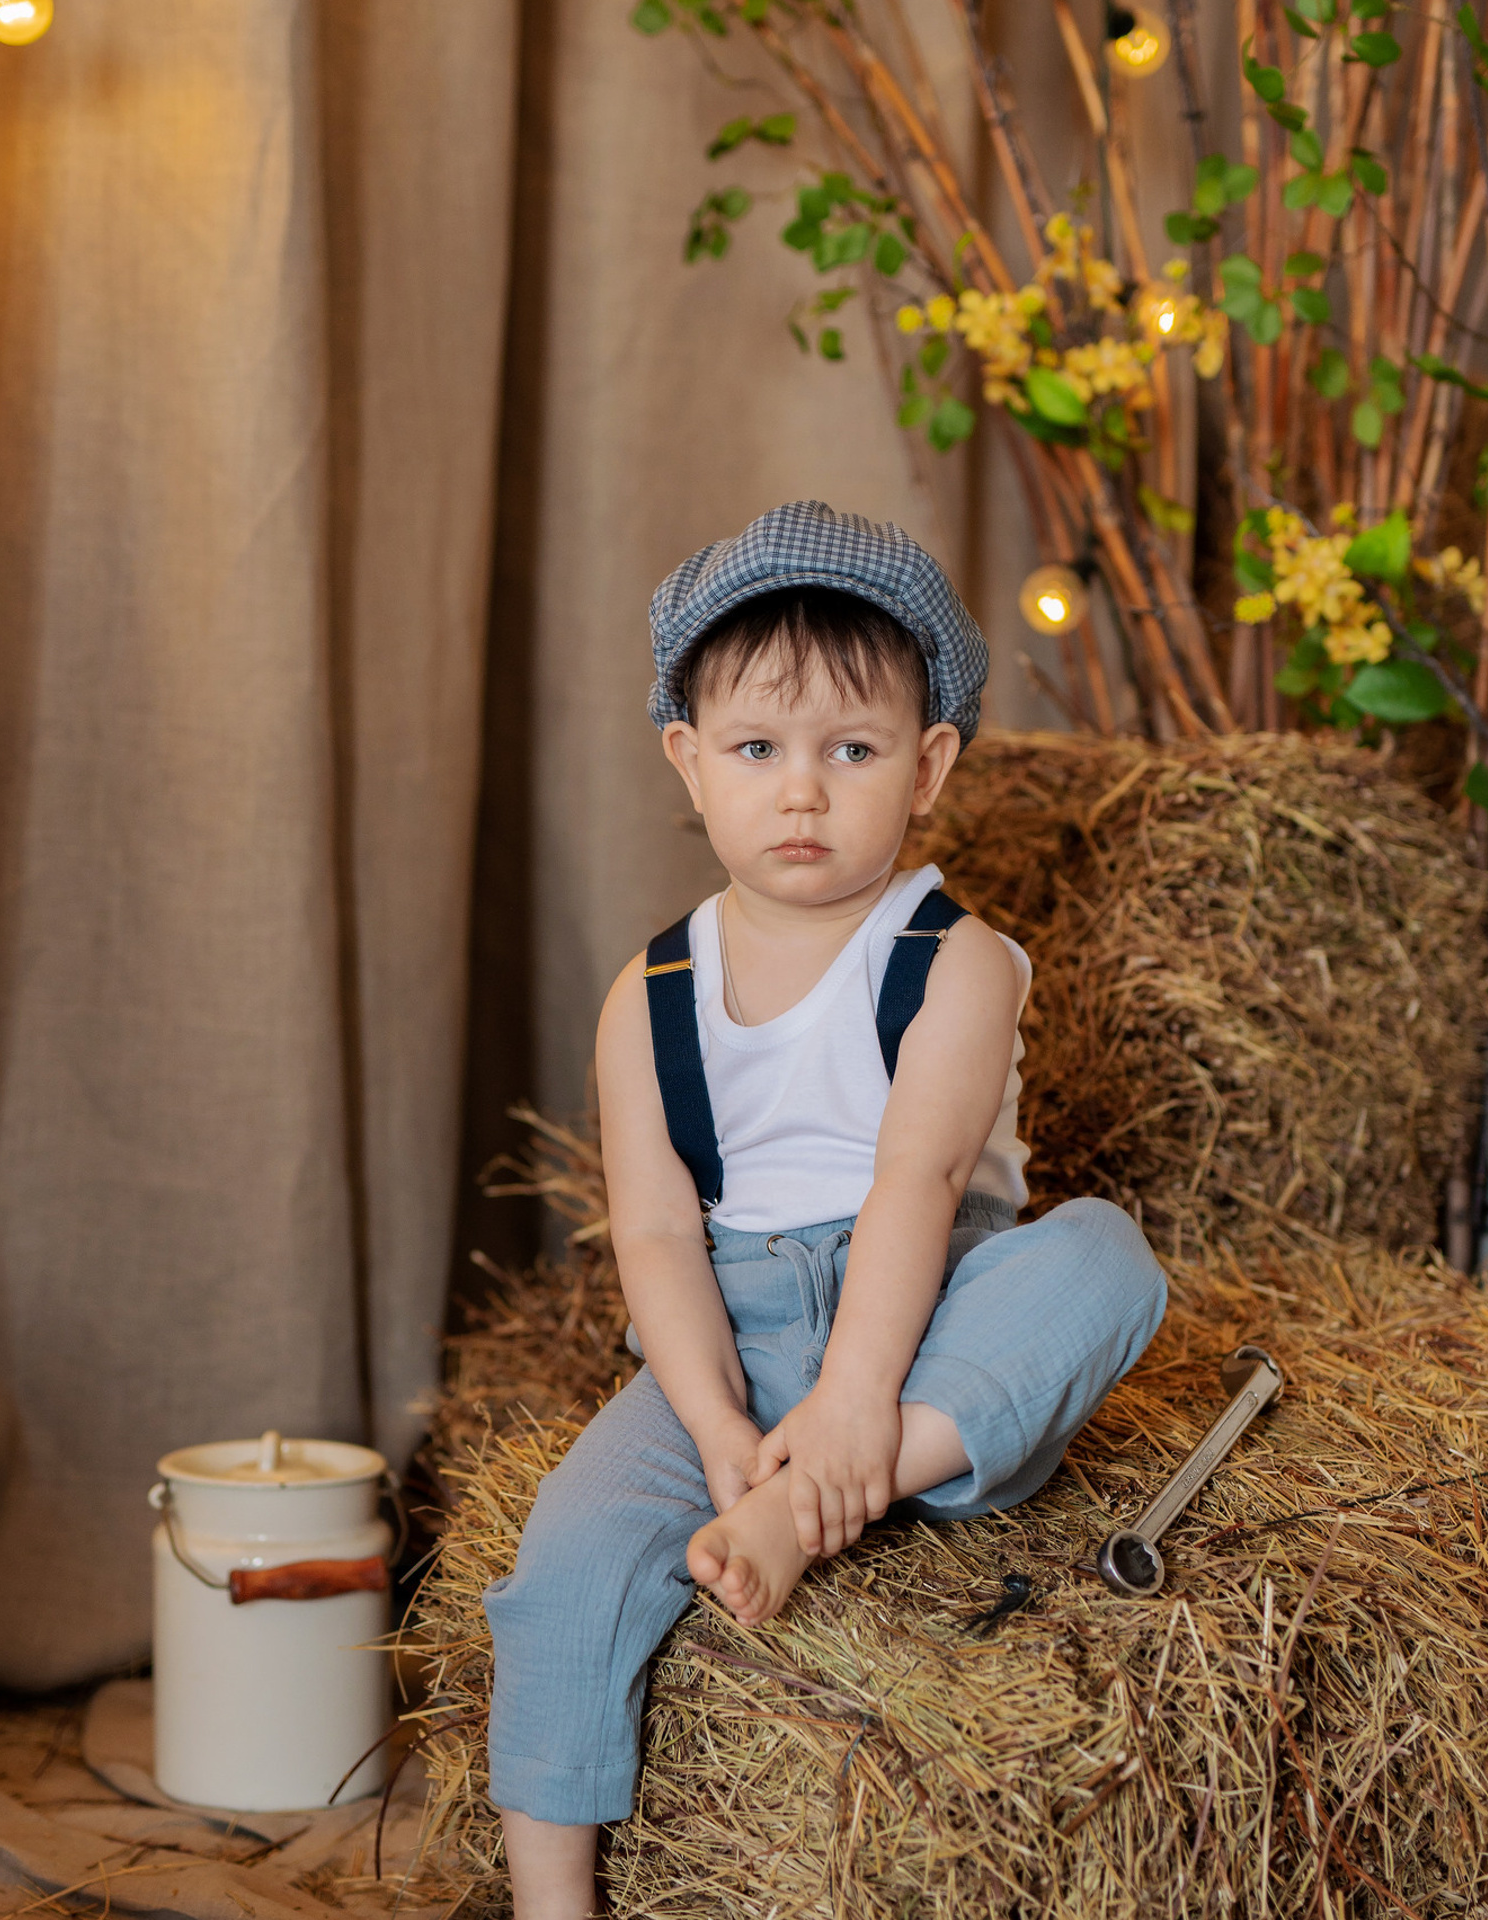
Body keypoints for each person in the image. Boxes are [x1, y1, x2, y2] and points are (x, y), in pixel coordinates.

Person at [483, 501, 1168, 1918]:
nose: (801, 793)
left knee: (1103, 1262)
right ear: (689, 761)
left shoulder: (956, 962)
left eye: (849, 752)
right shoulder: (651, 994)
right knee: (560, 1572)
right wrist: (720, 1423)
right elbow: (660, 1236)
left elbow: (916, 1182)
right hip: (723, 1338)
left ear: (927, 770)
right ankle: (555, 1906)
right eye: (757, 751)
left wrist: (857, 1400)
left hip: (920, 1321)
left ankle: (827, 1496)